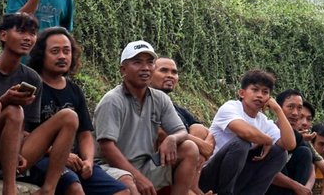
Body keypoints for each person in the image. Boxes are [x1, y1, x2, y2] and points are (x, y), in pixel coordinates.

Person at [0, 13, 78, 195]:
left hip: (15, 154)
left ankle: (49, 189)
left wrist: (14, 151)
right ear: (3, 35)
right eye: (21, 31)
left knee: (69, 116)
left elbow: (26, 130)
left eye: (32, 33)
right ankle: (10, 190)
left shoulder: (32, 78)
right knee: (6, 108)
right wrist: (5, 100)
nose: (28, 38)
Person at [26, 25, 128, 195]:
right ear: (41, 54)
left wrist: (88, 160)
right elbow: (23, 135)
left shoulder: (74, 91)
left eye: (66, 51)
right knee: (74, 188)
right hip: (41, 159)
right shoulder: (33, 85)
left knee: (121, 191)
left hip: (76, 160)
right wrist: (60, 154)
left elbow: (85, 133)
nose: (62, 56)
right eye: (55, 51)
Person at [96, 40, 202, 195]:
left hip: (145, 164)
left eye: (150, 62)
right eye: (137, 62)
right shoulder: (112, 100)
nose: (145, 68)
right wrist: (138, 177)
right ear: (123, 69)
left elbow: (181, 131)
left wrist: (172, 139)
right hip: (110, 167)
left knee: (189, 148)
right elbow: (107, 148)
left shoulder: (160, 98)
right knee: (128, 181)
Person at [199, 68, 292, 195]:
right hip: (208, 175)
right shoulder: (231, 107)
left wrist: (278, 110)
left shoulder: (263, 121)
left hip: (236, 179)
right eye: (255, 90)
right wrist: (268, 140)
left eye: (265, 92)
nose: (260, 95)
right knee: (241, 142)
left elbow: (289, 144)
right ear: (242, 93)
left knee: (280, 153)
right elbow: (246, 133)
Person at [152, 59, 213, 159]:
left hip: (183, 152)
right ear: (149, 75)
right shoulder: (147, 102)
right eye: (163, 70)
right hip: (162, 157)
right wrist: (202, 146)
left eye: (174, 72)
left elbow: (207, 131)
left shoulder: (176, 108)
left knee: (198, 128)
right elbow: (161, 133)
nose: (170, 75)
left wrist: (206, 145)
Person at [270, 91, 324, 195]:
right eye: (290, 107)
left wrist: (305, 189)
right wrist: (297, 187)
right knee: (278, 152)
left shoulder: (298, 136)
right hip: (267, 186)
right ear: (278, 108)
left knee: (304, 152)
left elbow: (311, 168)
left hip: (293, 189)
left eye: (299, 108)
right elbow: (268, 172)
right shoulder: (268, 129)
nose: (295, 113)